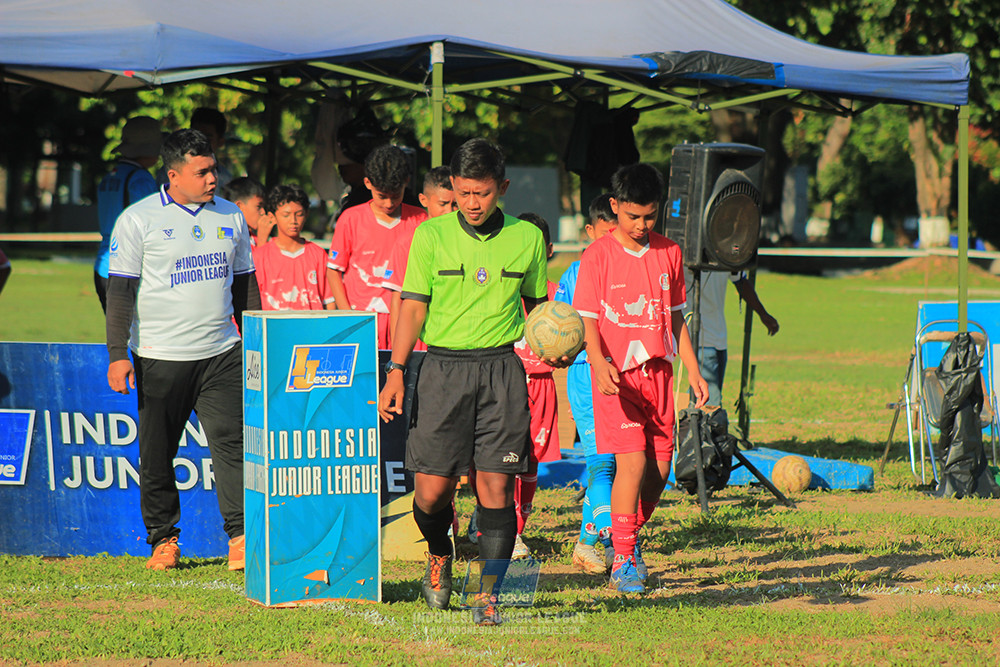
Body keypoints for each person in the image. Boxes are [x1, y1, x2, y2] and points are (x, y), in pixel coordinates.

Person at [377, 138, 568, 626]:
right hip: (440, 370)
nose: (472, 203)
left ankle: (487, 595)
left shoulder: (526, 239)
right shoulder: (430, 236)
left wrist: (559, 343)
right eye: (463, 193)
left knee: (496, 487)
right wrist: (396, 370)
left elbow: (535, 310)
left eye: (482, 193)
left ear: (501, 188)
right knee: (431, 493)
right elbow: (413, 305)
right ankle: (440, 554)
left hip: (502, 372)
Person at [106, 128, 260, 572]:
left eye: (213, 168)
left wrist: (256, 344)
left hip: (221, 354)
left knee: (232, 445)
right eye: (202, 172)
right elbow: (120, 294)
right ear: (173, 175)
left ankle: (241, 536)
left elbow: (245, 286)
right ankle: (164, 540)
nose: (214, 178)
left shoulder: (231, 216)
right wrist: (119, 353)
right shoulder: (138, 219)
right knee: (157, 452)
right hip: (160, 356)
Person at [574, 163, 708, 594]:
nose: (641, 224)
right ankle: (626, 559)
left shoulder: (669, 253)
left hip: (659, 377)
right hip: (616, 378)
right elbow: (588, 321)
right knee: (629, 463)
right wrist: (597, 361)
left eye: (649, 216)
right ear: (614, 208)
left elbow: (675, 318)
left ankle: (620, 532)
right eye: (632, 216)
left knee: (659, 471)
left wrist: (694, 370)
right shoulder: (597, 256)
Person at [555, 193, 619, 575]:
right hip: (587, 375)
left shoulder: (628, 266)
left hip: (624, 375)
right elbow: (564, 328)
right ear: (590, 232)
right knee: (602, 464)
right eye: (606, 233)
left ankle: (587, 543)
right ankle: (621, 543)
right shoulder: (576, 273)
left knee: (616, 463)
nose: (612, 241)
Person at [326, 144, 427, 348]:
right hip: (361, 319)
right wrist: (348, 315)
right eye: (382, 196)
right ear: (367, 183)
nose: (389, 203)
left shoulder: (421, 220)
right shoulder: (350, 219)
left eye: (395, 195)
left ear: (406, 183)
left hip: (406, 321)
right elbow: (334, 271)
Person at [510, 212, 561, 560]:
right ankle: (503, 530)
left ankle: (517, 530)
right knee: (499, 459)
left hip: (541, 385)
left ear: (549, 250)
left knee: (530, 463)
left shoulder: (558, 296)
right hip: (507, 381)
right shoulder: (505, 289)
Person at [683, 269, 779, 407]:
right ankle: (684, 426)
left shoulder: (725, 252)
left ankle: (685, 424)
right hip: (699, 338)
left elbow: (741, 281)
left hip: (718, 338)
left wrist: (763, 314)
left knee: (702, 398)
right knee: (708, 402)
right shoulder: (684, 252)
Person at [383, 165, 456, 347]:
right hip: (416, 344)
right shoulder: (407, 241)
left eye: (455, 204)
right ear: (424, 200)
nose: (450, 211)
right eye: (443, 204)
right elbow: (397, 301)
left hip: (453, 344)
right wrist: (396, 355)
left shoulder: (466, 240)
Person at [94, 116, 162, 312]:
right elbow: (151, 224)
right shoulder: (141, 179)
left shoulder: (110, 176)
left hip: (103, 265)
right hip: (127, 269)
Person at [252, 184, 333, 311]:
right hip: (275, 329)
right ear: (273, 217)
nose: (293, 220)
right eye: (286, 215)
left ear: (306, 214)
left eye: (299, 214)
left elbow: (329, 300)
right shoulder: (259, 256)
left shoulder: (319, 255)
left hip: (312, 328)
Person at [190, 108, 233, 188]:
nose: (200, 143)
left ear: (220, 142)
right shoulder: (174, 173)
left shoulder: (226, 179)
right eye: (195, 137)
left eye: (207, 138)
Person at [221, 178, 270, 247]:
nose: (263, 212)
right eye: (258, 207)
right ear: (239, 207)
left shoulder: (253, 238)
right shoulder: (225, 237)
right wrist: (262, 241)